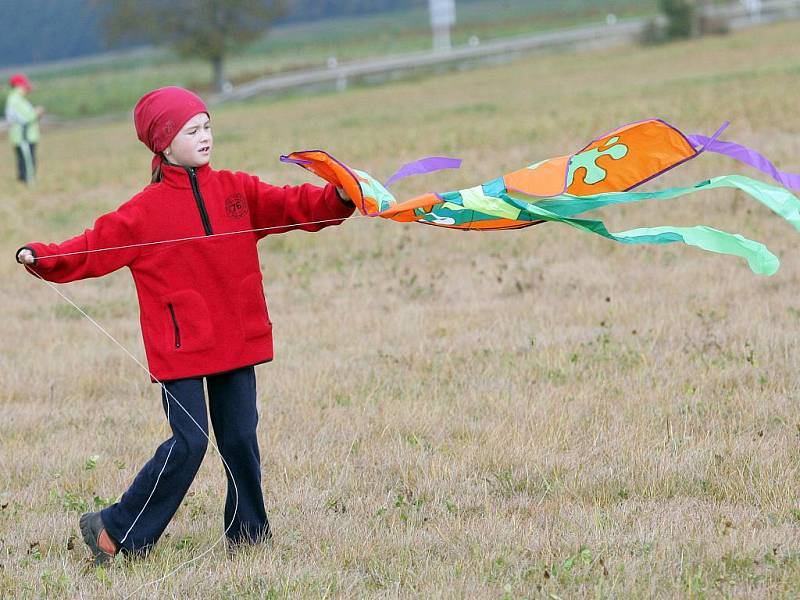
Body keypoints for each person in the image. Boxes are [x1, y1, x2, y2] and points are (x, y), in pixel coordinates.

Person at [15, 86, 354, 565]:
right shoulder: (143, 212)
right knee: (191, 441)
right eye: (191, 130)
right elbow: (93, 246)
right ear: (164, 144)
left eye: (207, 126)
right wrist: (43, 258)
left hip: (237, 337)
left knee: (240, 437)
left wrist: (339, 197)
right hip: (182, 346)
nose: (205, 136)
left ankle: (250, 535)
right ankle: (116, 530)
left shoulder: (237, 190)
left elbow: (294, 206)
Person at [5, 73, 43, 183]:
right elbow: (26, 117)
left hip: (23, 136)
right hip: (23, 136)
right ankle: (29, 181)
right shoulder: (15, 100)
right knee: (27, 161)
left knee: (24, 160)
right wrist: (37, 113)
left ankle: (25, 181)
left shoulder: (16, 99)